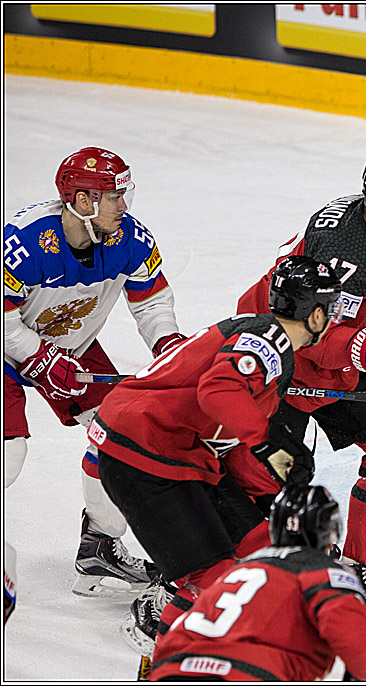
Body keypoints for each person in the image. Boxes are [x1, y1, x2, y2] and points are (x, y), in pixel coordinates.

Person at [89, 256, 344, 658]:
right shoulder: (269, 339)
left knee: (263, 545)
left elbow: (234, 442)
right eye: (332, 310)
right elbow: (219, 391)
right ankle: (164, 648)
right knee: (216, 578)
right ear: (315, 315)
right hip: (145, 450)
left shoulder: (268, 342)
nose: (333, 319)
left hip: (181, 453)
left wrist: (278, 496)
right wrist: (268, 441)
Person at [235, 147, 366, 625]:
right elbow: (302, 328)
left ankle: (349, 575)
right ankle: (211, 582)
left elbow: (347, 307)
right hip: (280, 359)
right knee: (276, 479)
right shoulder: (342, 248)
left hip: (323, 362)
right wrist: (364, 345)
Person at [3, 147, 186, 597]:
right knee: (9, 455)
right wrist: (40, 357)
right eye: (114, 196)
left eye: (124, 194)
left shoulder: (131, 240)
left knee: (124, 437)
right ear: (82, 201)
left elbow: (152, 302)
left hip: (73, 345)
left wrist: (167, 344)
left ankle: (98, 548)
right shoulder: (24, 242)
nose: (124, 206)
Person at [149, 484, 366, 682]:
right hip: (247, 673)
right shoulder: (325, 572)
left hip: (170, 670)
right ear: (328, 532)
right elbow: (359, 652)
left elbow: (178, 627)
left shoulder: (238, 569)